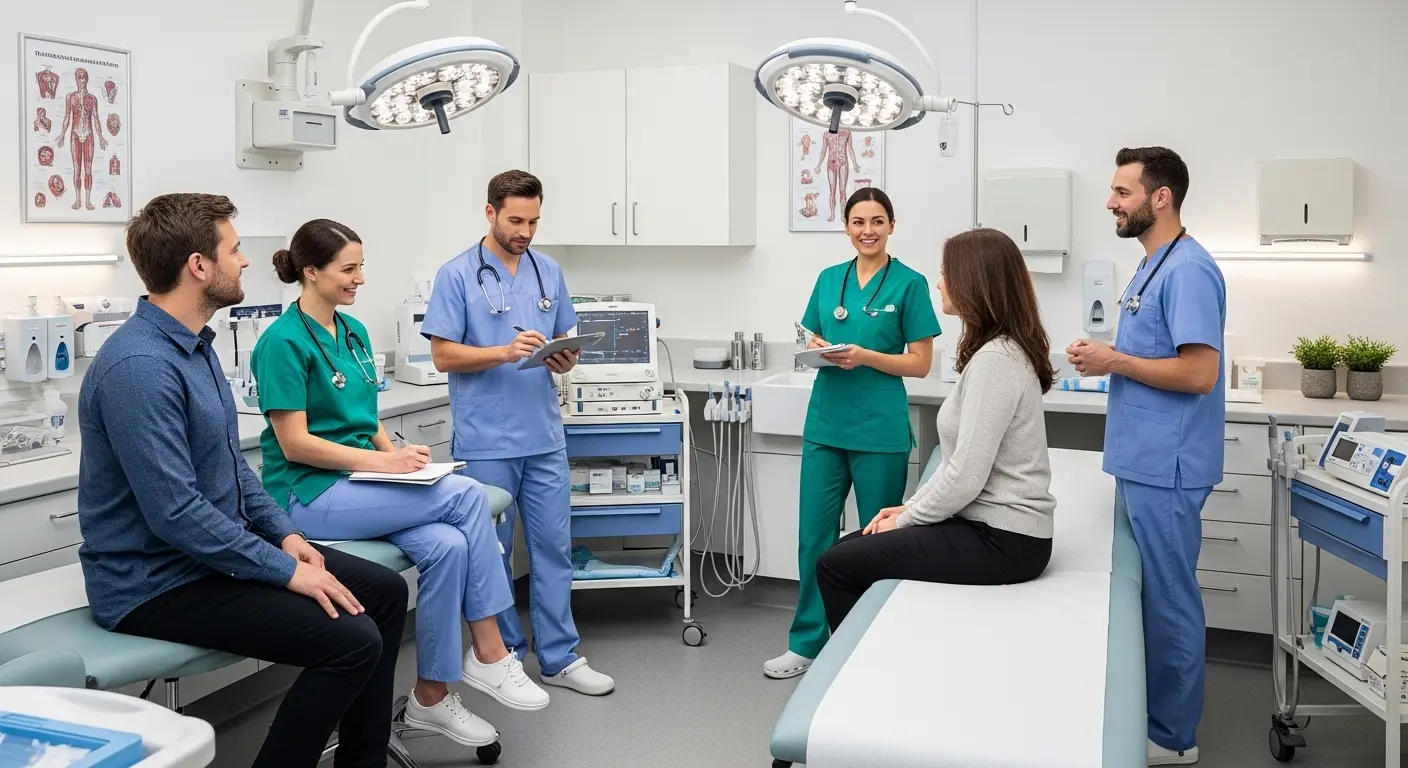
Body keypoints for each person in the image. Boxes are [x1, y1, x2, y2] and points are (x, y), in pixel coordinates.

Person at [76, 193, 409, 768]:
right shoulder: (140, 368)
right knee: (351, 644)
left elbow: (233, 471)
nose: (246, 261)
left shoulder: (196, 347)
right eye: (234, 250)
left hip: (202, 559)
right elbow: (175, 512)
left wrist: (285, 537)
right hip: (153, 582)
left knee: (384, 592)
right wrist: (286, 574)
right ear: (198, 266)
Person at [249, 219, 552, 751]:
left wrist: (398, 456)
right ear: (311, 271)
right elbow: (294, 444)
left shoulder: (354, 333)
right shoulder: (281, 342)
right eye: (349, 268)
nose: (360, 278)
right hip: (308, 495)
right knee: (464, 494)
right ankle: (490, 651)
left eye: (361, 266)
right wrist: (381, 467)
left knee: (450, 544)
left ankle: (431, 696)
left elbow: (366, 421)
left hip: (359, 483)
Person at [421, 170, 614, 695]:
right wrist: (503, 352)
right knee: (493, 555)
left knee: (554, 548)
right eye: (515, 220)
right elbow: (443, 355)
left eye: (533, 221)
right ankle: (502, 656)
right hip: (486, 440)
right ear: (490, 213)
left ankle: (560, 657)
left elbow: (563, 344)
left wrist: (564, 358)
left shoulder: (548, 272)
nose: (525, 231)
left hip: (544, 437)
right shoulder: (457, 275)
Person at [1066, 146, 1225, 767]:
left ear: (1161, 197)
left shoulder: (1187, 269)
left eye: (1122, 193)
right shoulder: (1151, 266)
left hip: (1170, 464)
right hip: (1144, 461)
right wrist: (1108, 357)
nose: (1111, 202)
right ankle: (1151, 714)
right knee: (1148, 595)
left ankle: (1174, 737)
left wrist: (1114, 361)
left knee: (1170, 599)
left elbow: (1198, 372)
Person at [815, 227, 1056, 630]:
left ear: (973, 283)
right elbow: (958, 462)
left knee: (837, 565)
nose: (940, 283)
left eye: (946, 274)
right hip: (988, 525)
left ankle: (863, 673)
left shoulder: (996, 361)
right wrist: (910, 508)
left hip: (1006, 539)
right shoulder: (993, 351)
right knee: (847, 547)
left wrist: (907, 520)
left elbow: (966, 475)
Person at [765, 187, 941, 680]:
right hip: (826, 424)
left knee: (876, 541)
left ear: (891, 226)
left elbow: (921, 364)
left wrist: (864, 356)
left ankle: (871, 642)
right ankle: (807, 642)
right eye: (858, 221)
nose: (868, 230)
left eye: (877, 221)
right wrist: (816, 345)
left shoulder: (909, 283)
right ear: (846, 226)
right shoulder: (829, 280)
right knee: (814, 537)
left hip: (879, 430)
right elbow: (806, 336)